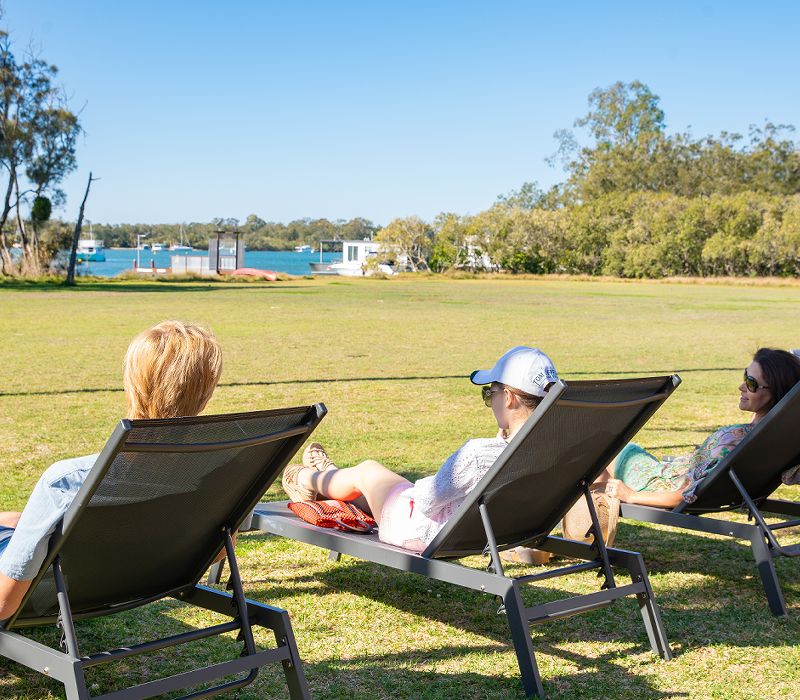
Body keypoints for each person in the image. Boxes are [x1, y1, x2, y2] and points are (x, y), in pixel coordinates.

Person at [0, 320, 224, 619]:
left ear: (132, 383)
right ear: (207, 391)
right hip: (124, 578)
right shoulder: (225, 464)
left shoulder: (68, 481)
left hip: (52, 593)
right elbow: (221, 551)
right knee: (14, 520)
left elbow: (5, 605)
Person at [282, 346, 559, 552]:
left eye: (490, 393)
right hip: (485, 532)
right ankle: (331, 474)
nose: (490, 400)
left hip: (419, 531)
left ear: (509, 398)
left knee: (368, 471)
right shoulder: (556, 450)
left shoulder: (478, 455)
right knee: (376, 485)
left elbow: (426, 499)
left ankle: (304, 479)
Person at [599, 348, 800, 508]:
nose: (741, 387)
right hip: (667, 472)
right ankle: (593, 505)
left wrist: (631, 496)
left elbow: (685, 495)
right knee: (602, 454)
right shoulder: (780, 439)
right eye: (745, 376)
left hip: (656, 484)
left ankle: (592, 511)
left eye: (751, 383)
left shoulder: (733, 441)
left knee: (595, 449)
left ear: (775, 392)